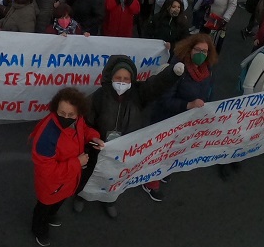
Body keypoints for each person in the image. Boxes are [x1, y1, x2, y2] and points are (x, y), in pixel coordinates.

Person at [76, 56, 184, 216]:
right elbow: (86, 123)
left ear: (132, 80)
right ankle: (81, 197)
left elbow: (156, 85)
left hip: (124, 151)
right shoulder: (99, 97)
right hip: (99, 148)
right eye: (118, 78)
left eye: (126, 79)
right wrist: (92, 140)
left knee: (115, 178)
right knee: (91, 174)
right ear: (110, 77)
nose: (122, 82)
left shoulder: (139, 94)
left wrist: (172, 73)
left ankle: (109, 200)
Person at [144, 34, 217, 201]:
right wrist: (189, 105)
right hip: (166, 118)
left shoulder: (208, 71)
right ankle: (150, 181)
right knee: (159, 150)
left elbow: (209, 92)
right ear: (189, 49)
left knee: (175, 148)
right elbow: (164, 99)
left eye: (205, 51)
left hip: (187, 122)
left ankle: (164, 170)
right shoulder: (177, 69)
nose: (201, 54)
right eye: (197, 50)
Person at [30, 88, 103, 245]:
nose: (66, 118)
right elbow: (48, 172)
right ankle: (38, 229)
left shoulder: (79, 120)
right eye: (61, 113)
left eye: (71, 115)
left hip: (68, 180)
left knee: (59, 201)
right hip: (51, 185)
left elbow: (84, 130)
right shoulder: (46, 138)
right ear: (55, 109)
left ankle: (51, 216)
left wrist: (94, 137)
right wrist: (77, 163)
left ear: (79, 113)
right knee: (43, 208)